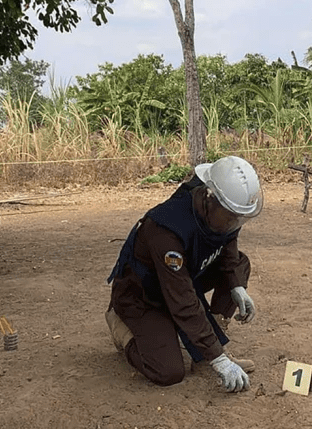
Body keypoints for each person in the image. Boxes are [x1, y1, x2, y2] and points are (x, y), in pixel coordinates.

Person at [106, 155, 263, 393]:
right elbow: (183, 301)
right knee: (168, 371)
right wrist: (219, 360)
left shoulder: (221, 214)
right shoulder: (167, 229)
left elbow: (228, 242)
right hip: (143, 296)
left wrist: (236, 285)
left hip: (180, 280)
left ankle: (205, 355)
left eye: (240, 217)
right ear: (210, 198)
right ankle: (121, 328)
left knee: (239, 266)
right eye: (231, 216)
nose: (235, 223)